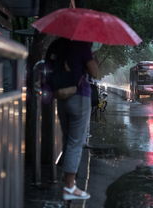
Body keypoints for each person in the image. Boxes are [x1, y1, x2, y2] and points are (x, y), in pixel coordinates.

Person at [45, 38, 98, 200]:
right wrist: (91, 56)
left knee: (68, 139)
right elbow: (95, 72)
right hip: (79, 96)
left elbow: (48, 68)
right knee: (76, 142)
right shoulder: (81, 45)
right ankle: (69, 186)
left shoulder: (55, 45)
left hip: (61, 96)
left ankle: (66, 179)